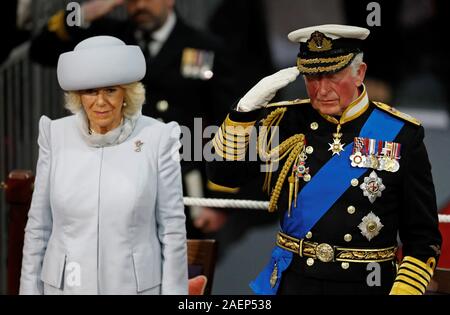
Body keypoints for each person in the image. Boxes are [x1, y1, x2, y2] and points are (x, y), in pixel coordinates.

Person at [206, 24, 442, 295]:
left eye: (333, 75)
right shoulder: (287, 121)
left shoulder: (401, 134)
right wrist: (242, 114)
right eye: (312, 77)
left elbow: (423, 239)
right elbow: (223, 174)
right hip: (295, 283)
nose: (322, 89)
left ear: (359, 73)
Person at [29, 0, 239, 238]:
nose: (139, 6)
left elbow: (227, 124)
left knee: (184, 270)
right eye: (131, 0)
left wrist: (219, 202)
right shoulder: (112, 40)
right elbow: (41, 49)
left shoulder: (205, 47)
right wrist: (86, 11)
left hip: (182, 185)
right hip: (114, 180)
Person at [19, 35, 187, 295]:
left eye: (110, 90)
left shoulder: (159, 137)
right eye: (90, 91)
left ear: (126, 93)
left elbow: (172, 231)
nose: (100, 102)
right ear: (78, 96)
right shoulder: (54, 134)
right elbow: (39, 227)